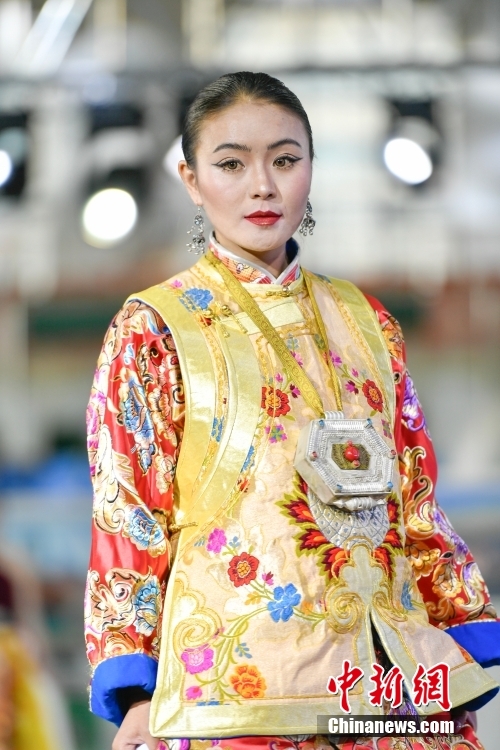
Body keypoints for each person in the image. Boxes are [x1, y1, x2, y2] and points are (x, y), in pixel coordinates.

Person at [85, 72, 500, 750]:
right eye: (231, 164)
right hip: (236, 696)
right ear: (191, 180)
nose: (263, 186)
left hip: (392, 691)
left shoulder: (367, 322)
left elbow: (415, 500)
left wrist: (459, 638)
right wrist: (133, 687)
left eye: (284, 160)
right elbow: (128, 512)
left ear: (311, 167)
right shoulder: (155, 328)